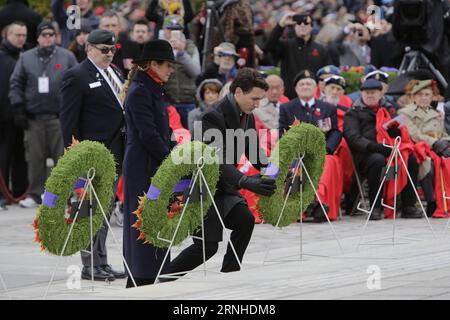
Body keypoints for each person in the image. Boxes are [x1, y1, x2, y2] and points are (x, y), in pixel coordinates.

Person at [170, 68, 276, 276]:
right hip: (201, 187)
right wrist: (245, 181)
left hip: (224, 186)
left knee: (244, 221)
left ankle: (230, 274)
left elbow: (254, 152)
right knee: (207, 248)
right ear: (238, 92)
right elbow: (214, 160)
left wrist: (274, 172)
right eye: (254, 99)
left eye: (260, 100)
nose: (257, 104)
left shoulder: (247, 115)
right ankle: (162, 277)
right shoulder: (210, 116)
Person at [60, 29, 126, 281]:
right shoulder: (77, 75)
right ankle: (89, 265)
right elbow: (68, 119)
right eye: (104, 50)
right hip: (93, 151)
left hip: (116, 148)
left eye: (112, 50)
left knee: (105, 209)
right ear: (89, 49)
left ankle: (102, 261)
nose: (109, 54)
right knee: (89, 208)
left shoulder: (115, 72)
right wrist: (74, 153)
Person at [122, 39, 177, 287]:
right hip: (142, 163)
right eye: (167, 65)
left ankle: (156, 269)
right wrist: (170, 159)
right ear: (152, 64)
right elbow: (148, 134)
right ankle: (142, 275)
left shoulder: (152, 87)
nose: (170, 69)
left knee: (156, 215)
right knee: (142, 217)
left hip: (153, 160)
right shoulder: (140, 90)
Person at [9, 21, 77, 208]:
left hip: (59, 117)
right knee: (35, 158)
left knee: (63, 158)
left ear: (55, 37)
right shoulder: (26, 58)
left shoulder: (67, 56)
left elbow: (76, 82)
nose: (47, 38)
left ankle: (66, 193)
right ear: (38, 37)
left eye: (51, 34)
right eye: (43, 34)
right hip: (34, 118)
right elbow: (16, 83)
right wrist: (18, 107)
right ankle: (35, 193)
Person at [344, 79, 423, 220]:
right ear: (361, 93)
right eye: (366, 93)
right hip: (365, 154)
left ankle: (408, 206)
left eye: (373, 93)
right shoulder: (353, 112)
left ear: (381, 93)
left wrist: (396, 132)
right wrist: (373, 147)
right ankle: (376, 206)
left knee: (410, 158)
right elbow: (352, 137)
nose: (370, 95)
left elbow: (400, 128)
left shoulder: (390, 109)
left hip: (389, 149)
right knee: (378, 160)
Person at [279, 70, 343, 222]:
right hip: (296, 152)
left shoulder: (327, 108)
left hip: (322, 151)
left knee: (327, 163)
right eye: (302, 84)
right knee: (296, 165)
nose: (305, 86)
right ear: (295, 89)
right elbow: (282, 131)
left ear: (316, 87)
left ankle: (320, 202)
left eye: (309, 83)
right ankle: (305, 206)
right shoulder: (287, 108)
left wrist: (327, 148)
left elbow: (335, 132)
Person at [398, 80, 450, 217]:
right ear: (413, 97)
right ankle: (432, 201)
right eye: (420, 94)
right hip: (417, 148)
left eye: (427, 95)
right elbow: (414, 134)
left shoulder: (436, 114)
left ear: (432, 97)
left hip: (437, 147)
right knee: (427, 162)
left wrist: (445, 142)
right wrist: (435, 143)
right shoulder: (404, 112)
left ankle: (445, 200)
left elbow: (443, 133)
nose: (424, 97)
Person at [264, 13, 332, 99]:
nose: (302, 25)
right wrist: (281, 25)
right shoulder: (286, 45)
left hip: (314, 98)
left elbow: (327, 74)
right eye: (299, 23)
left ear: (311, 27)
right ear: (294, 27)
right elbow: (268, 47)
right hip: (289, 97)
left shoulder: (321, 49)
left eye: (306, 23)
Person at [0, 21, 28, 210]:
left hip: (21, 114)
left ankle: (19, 191)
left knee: (21, 155)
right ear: (6, 35)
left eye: (24, 35)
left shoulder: (25, 56)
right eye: (17, 35)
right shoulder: (3, 58)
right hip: (4, 116)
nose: (21, 38)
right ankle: (3, 193)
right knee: (4, 154)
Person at [160, 15, 201, 129]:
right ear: (164, 29)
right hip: (167, 102)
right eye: (170, 29)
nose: (174, 32)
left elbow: (195, 71)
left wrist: (182, 53)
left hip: (187, 101)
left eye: (177, 29)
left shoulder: (189, 46)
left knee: (188, 139)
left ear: (182, 30)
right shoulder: (159, 46)